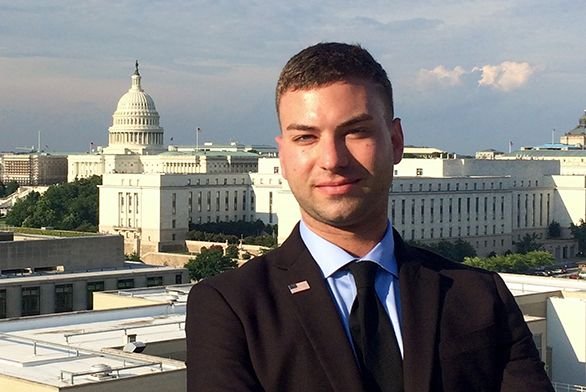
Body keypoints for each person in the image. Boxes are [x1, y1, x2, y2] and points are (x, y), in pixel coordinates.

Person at [186, 42, 554, 391]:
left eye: (356, 131)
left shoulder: (479, 296)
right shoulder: (231, 309)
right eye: (306, 138)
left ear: (395, 141)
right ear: (283, 155)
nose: (332, 159)